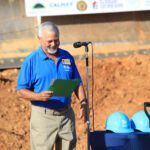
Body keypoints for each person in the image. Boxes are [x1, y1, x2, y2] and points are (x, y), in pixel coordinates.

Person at [16, 21, 87, 150]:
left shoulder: (67, 57)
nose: (53, 44)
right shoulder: (31, 61)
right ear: (39, 39)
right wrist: (38, 96)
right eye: (49, 41)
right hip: (43, 117)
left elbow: (77, 83)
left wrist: (83, 102)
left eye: (56, 40)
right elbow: (20, 91)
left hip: (66, 116)